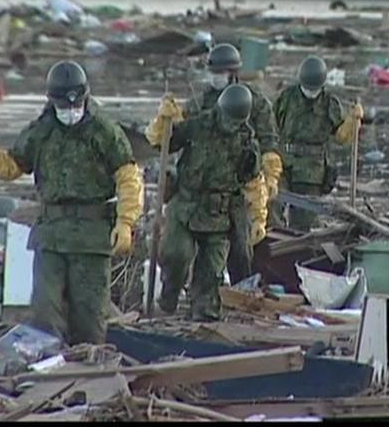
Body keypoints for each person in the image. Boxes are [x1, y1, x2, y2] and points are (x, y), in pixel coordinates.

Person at [0, 60, 143, 345]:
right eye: (64, 106)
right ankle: (49, 367)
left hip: (92, 235)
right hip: (52, 233)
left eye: (76, 105)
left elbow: (128, 176)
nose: (71, 112)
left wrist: (125, 221)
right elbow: (10, 166)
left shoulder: (104, 131)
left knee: (89, 313)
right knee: (45, 309)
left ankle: (89, 371)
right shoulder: (41, 132)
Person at [145, 84, 268, 321]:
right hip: (186, 206)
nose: (231, 127)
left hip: (219, 215)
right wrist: (163, 120)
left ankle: (202, 318)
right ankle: (168, 297)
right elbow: (161, 142)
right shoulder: (198, 126)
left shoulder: (246, 142)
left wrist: (258, 217)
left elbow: (254, 183)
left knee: (210, 276)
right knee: (175, 254)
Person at [183, 43, 282, 285]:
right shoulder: (200, 103)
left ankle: (244, 289)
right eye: (213, 73)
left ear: (233, 73)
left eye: (221, 73)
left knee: (243, 248)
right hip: (205, 185)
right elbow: (182, 137)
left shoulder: (254, 102)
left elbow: (269, 144)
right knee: (197, 250)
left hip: (243, 181)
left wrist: (268, 180)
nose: (216, 79)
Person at [270, 55, 364, 231]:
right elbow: (272, 126)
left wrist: (352, 121)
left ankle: (299, 249)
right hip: (285, 162)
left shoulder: (330, 104)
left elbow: (341, 137)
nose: (310, 92)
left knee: (304, 219)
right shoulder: (287, 98)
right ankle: (272, 245)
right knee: (272, 203)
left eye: (314, 89)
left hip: (311, 169)